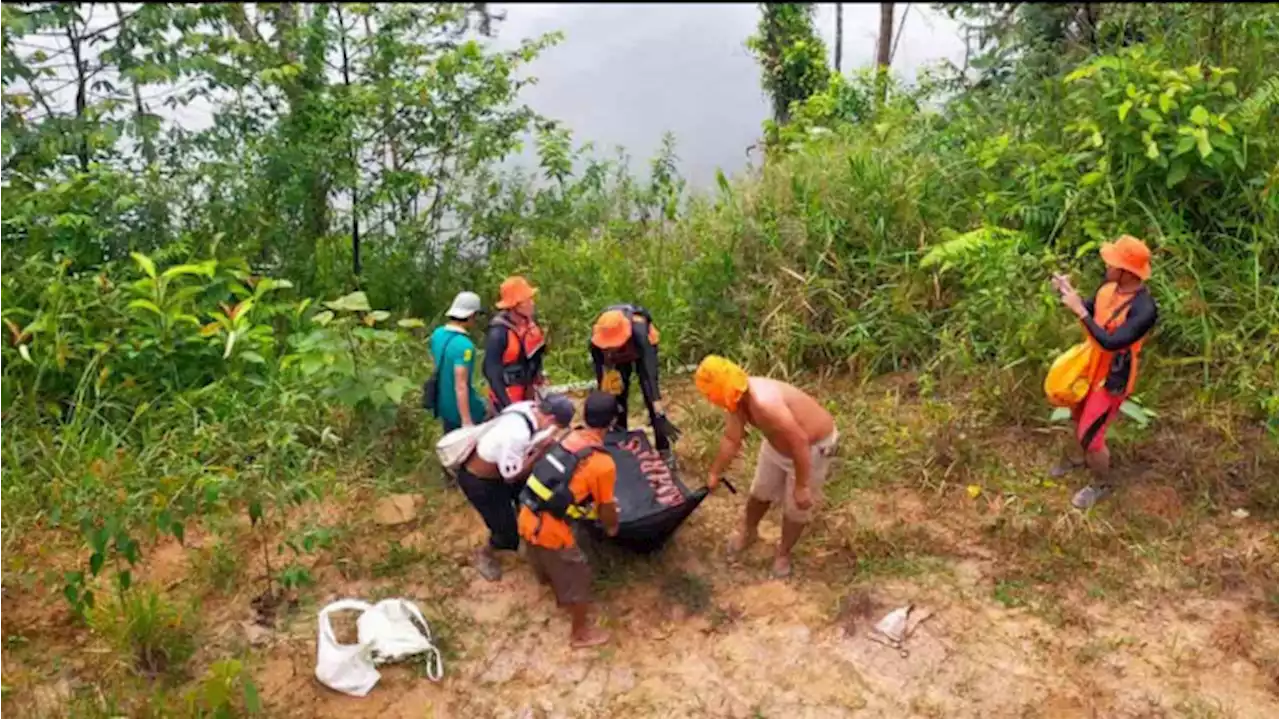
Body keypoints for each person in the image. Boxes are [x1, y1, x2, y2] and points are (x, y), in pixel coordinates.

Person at [696, 356, 838, 579]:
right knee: (760, 491)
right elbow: (732, 439)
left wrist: (801, 485)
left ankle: (783, 553)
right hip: (777, 445)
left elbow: (799, 441)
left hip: (812, 448)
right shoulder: (736, 400)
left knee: (796, 508)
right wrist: (715, 472)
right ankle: (749, 531)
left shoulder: (765, 403)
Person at [1050, 235, 1158, 510]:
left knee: (1091, 433)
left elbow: (1111, 341)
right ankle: (1083, 458)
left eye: (1112, 263)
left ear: (1127, 271)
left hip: (1113, 376)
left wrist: (1079, 312)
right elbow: (1093, 311)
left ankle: (1102, 483)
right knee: (1077, 413)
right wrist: (1068, 293)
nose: (1106, 266)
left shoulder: (1145, 309)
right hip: (1090, 363)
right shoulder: (1109, 288)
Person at [518, 391, 620, 649]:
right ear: (612, 422)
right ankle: (580, 634)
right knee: (579, 573)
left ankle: (548, 582)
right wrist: (611, 527)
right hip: (550, 531)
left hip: (526, 513)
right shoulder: (602, 463)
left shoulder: (566, 436)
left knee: (541, 555)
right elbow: (606, 506)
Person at [457, 393, 576, 581]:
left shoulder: (528, 408)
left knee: (531, 499)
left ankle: (531, 538)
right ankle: (485, 553)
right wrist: (540, 452)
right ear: (551, 418)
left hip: (502, 468)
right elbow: (512, 477)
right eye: (557, 427)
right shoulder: (516, 434)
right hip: (481, 482)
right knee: (507, 533)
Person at [589, 304, 680, 452]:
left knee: (652, 402)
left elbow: (649, 374)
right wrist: (607, 403)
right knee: (618, 397)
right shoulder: (596, 341)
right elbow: (601, 375)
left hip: (642, 350)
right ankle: (620, 442)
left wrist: (658, 409)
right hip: (617, 360)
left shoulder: (639, 330)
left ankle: (664, 449)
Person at [428, 291, 490, 435]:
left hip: (443, 404)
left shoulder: (437, 334)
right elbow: (460, 385)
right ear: (471, 315)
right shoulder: (464, 346)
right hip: (462, 409)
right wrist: (466, 421)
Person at [484, 276, 546, 411]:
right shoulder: (499, 333)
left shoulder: (530, 326)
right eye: (527, 300)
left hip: (528, 394)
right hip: (507, 397)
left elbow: (536, 359)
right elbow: (491, 372)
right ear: (514, 305)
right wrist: (508, 406)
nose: (532, 303)